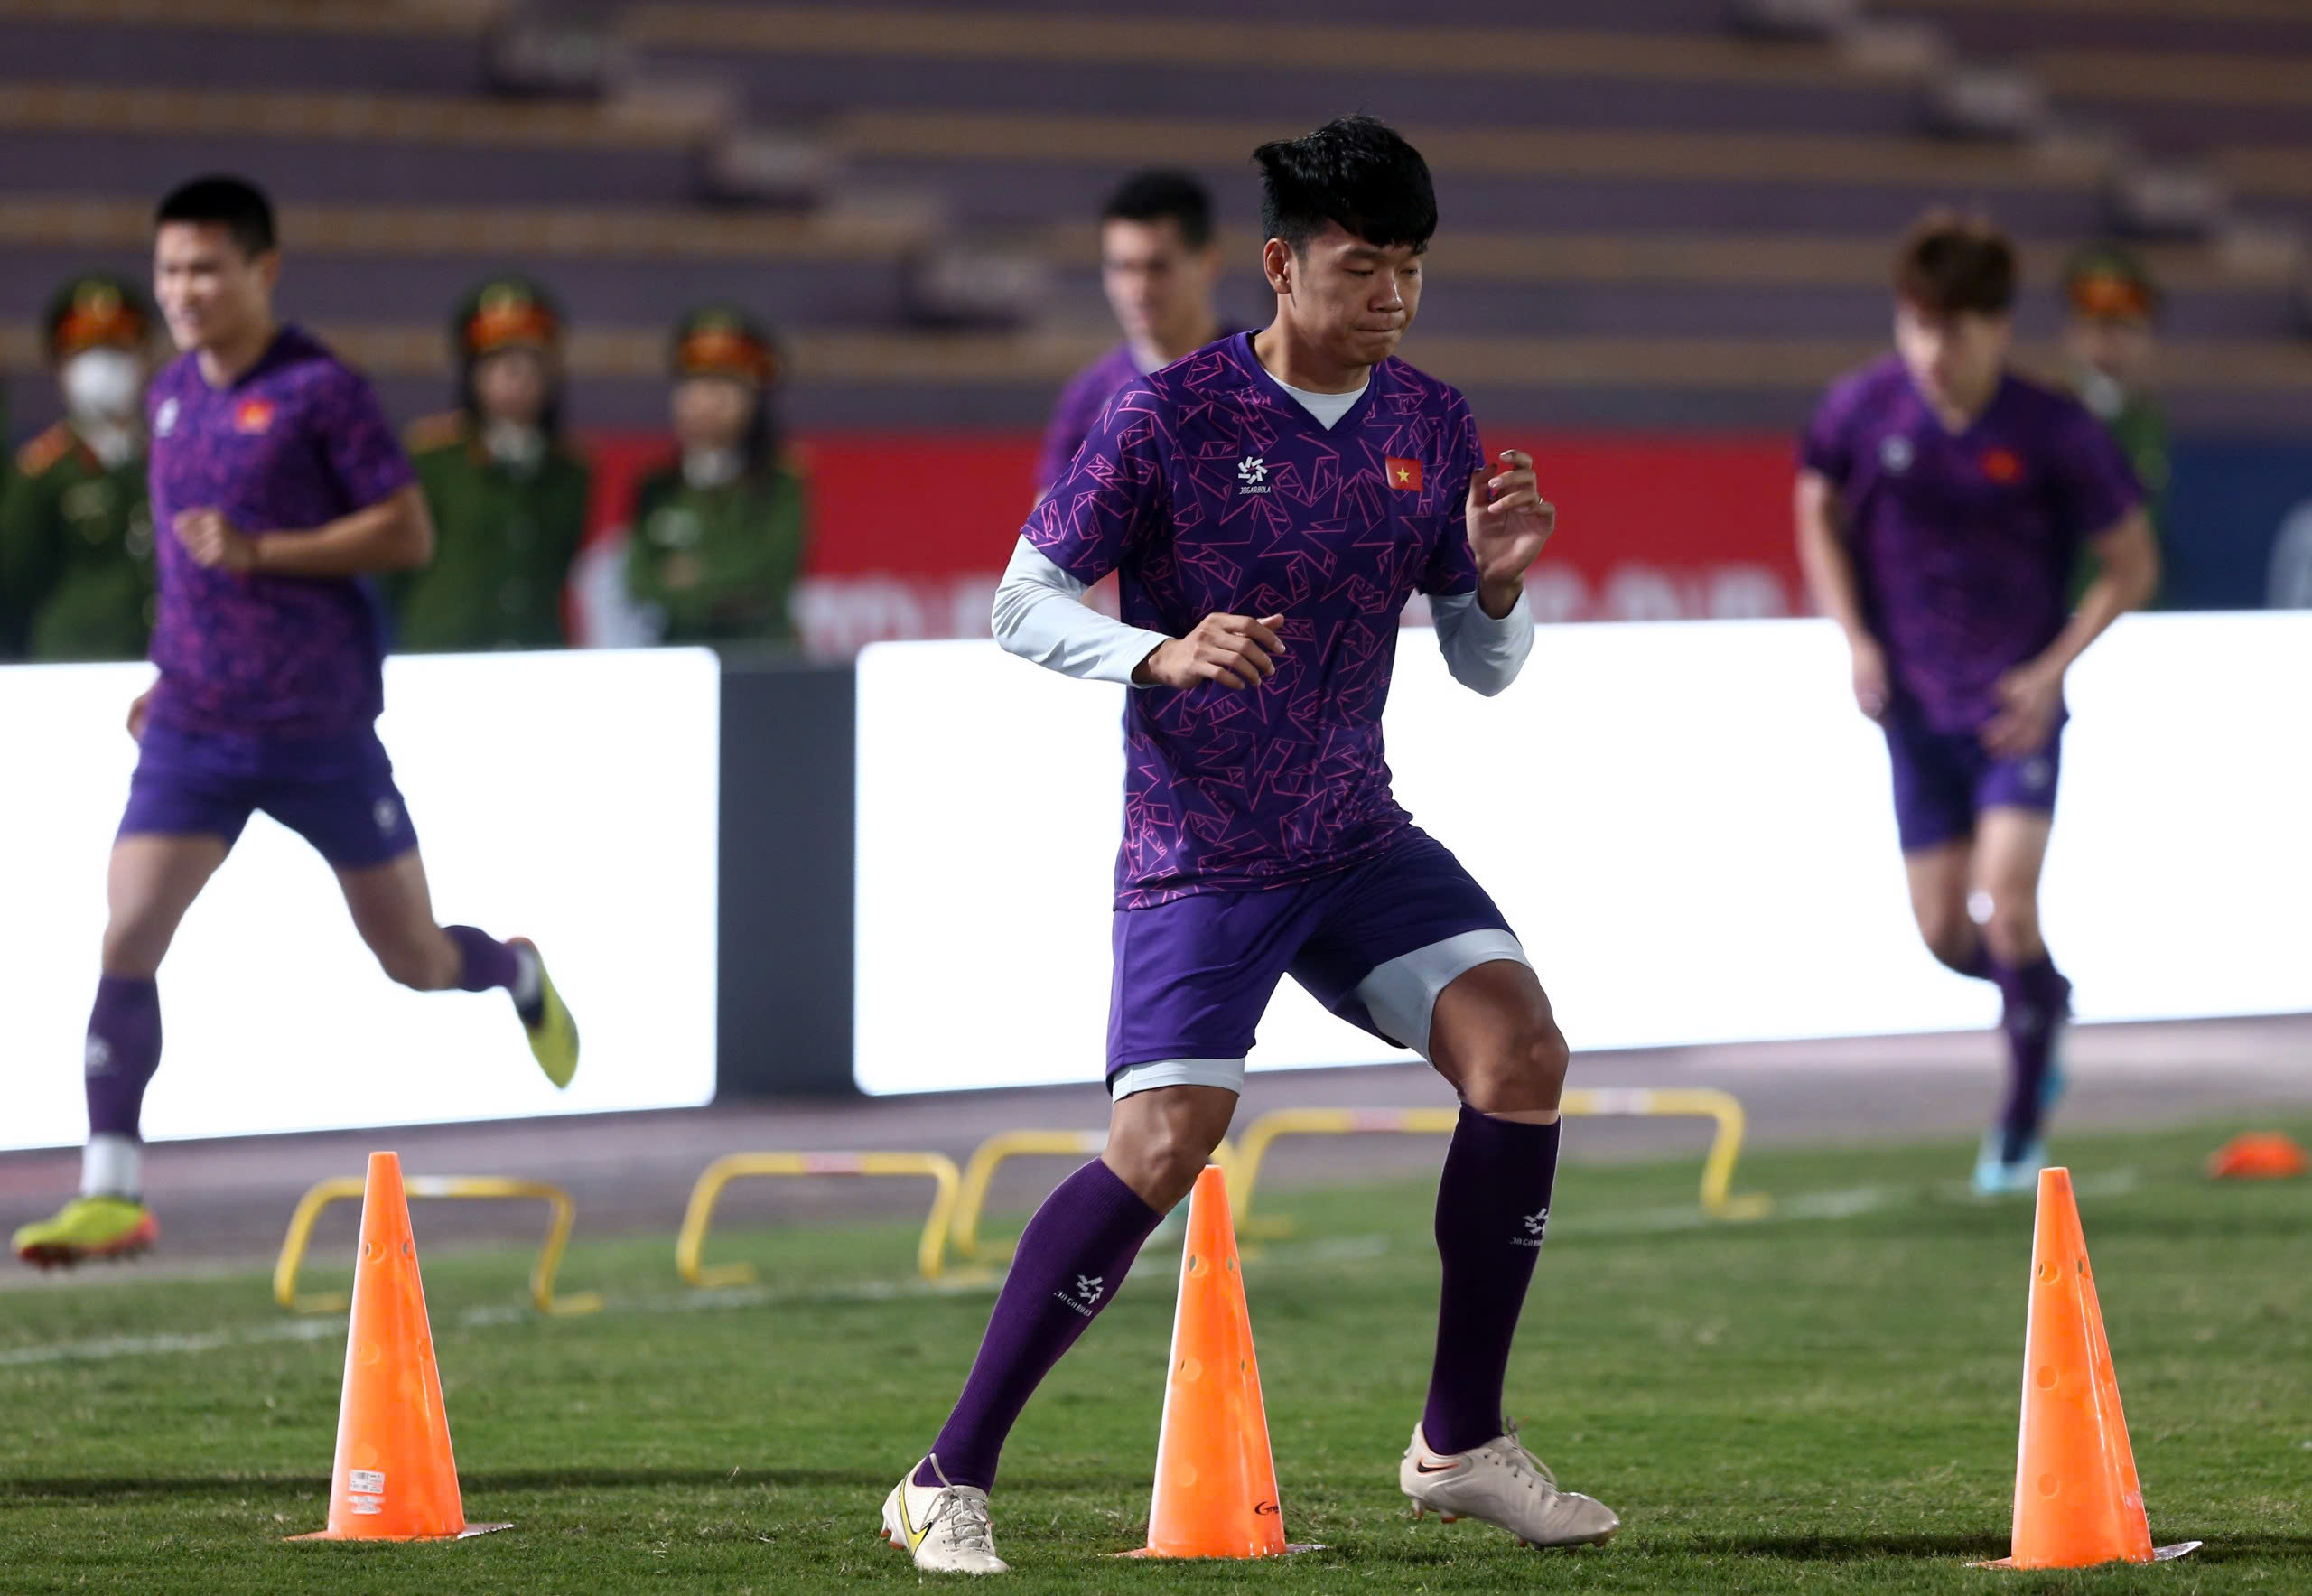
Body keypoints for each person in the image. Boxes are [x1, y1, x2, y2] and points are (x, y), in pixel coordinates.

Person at [880, 117, 1619, 1574]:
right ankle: (944, 1474)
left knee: (1521, 1054)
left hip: (1353, 834)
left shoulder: (1433, 424)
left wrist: (1497, 583)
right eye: (1361, 267)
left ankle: (1459, 1441)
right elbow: (1020, 603)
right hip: (1202, 848)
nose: (1391, 295)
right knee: (1162, 1145)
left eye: (1409, 269)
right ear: (1281, 265)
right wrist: (1157, 652)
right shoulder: (1168, 419)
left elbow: (1483, 669)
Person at [10, 175, 578, 1271]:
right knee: (128, 931)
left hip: (318, 730)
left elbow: (407, 535)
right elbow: (186, 562)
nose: (184, 289)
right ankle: (112, 1190)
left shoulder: (323, 391)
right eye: (171, 269)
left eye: (206, 268)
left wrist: (268, 552)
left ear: (262, 272)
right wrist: (165, 670)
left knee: (411, 959)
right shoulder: (172, 395)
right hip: (197, 727)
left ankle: (513, 972)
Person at [1793, 212, 2158, 1199]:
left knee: (2006, 908)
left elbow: (2131, 563)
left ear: (1996, 327)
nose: (1931, 351)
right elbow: (1812, 506)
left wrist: (2052, 670)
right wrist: (1853, 635)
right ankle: (2045, 1003)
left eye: (1951, 330)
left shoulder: (2053, 431)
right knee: (1944, 933)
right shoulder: (1863, 410)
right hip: (1912, 712)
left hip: (2011, 711)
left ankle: (2017, 1121)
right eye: (1916, 326)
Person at [390, 275, 590, 650]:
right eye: (499, 364)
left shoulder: (571, 470)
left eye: (531, 364)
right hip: (443, 657)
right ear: (472, 375)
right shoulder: (432, 459)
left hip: (537, 655)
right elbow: (394, 570)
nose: (517, 378)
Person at [1036, 170, 1237, 497]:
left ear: (1208, 263)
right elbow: (1049, 534)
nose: (1139, 289)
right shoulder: (1088, 398)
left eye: (1157, 267)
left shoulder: (1266, 376)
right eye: (1122, 267)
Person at [624, 305, 808, 648]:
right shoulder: (658, 484)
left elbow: (769, 576)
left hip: (761, 660)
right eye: (691, 389)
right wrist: (723, 590)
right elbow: (641, 582)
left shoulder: (780, 483)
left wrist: (691, 577)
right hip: (680, 658)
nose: (702, 404)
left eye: (720, 390)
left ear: (754, 402)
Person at [0, 274, 159, 662]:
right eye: (84, 352)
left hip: (164, 667)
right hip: (73, 671)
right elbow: (14, 589)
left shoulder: (169, 459)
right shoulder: (42, 472)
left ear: (144, 357)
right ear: (60, 368)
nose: (102, 366)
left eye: (117, 348)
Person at [2061, 243, 2169, 602]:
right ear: (2073, 330)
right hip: (2068, 617)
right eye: (2100, 323)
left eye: (2126, 324)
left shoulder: (2148, 420)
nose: (2113, 338)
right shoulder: (2054, 420)